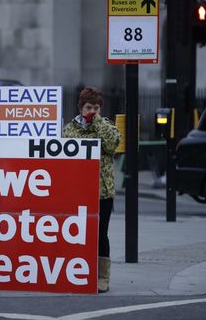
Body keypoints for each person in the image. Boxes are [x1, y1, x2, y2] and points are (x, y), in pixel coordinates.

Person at [63, 87, 121, 293]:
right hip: (78, 191)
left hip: (102, 193)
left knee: (100, 234)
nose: (92, 111)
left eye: (96, 108)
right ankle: (78, 272)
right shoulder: (70, 129)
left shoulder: (106, 126)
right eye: (88, 107)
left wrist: (96, 122)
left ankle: (102, 277)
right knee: (76, 234)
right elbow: (71, 148)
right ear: (80, 107)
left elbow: (113, 143)